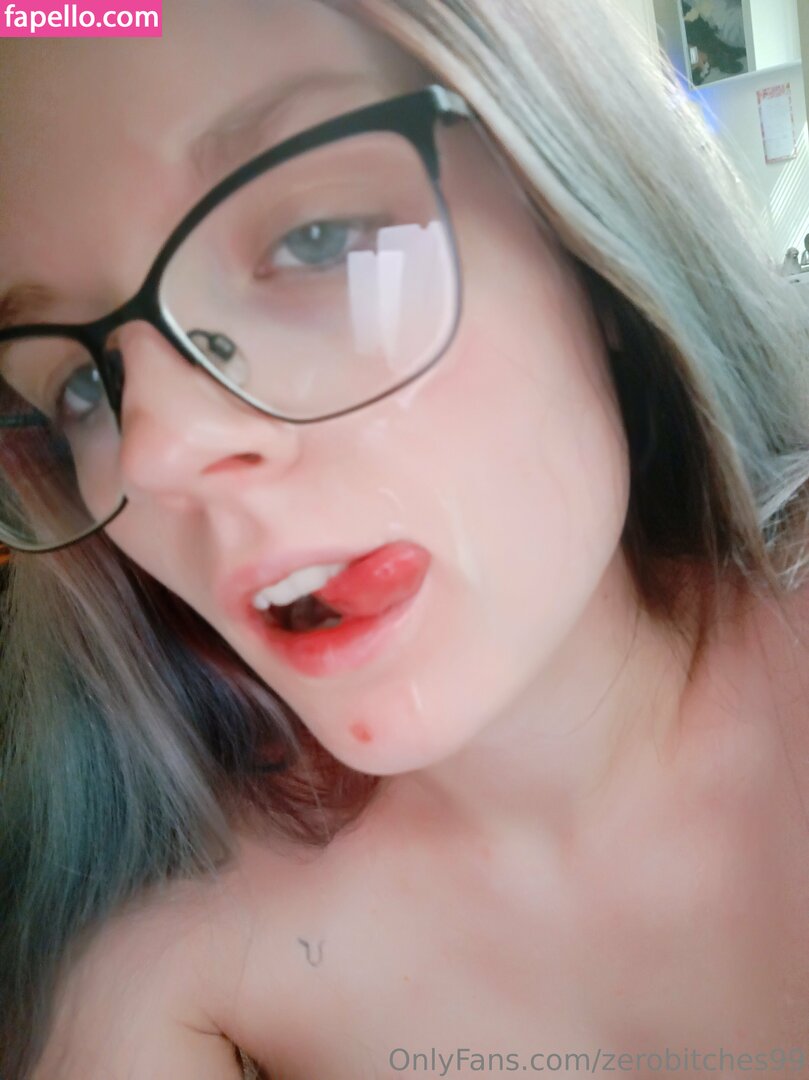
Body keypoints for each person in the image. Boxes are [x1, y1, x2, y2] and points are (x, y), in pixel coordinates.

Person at [1, 1, 809, 1077]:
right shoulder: (181, 990)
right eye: (80, 385)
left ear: (574, 218)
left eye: (316, 238)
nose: (155, 452)